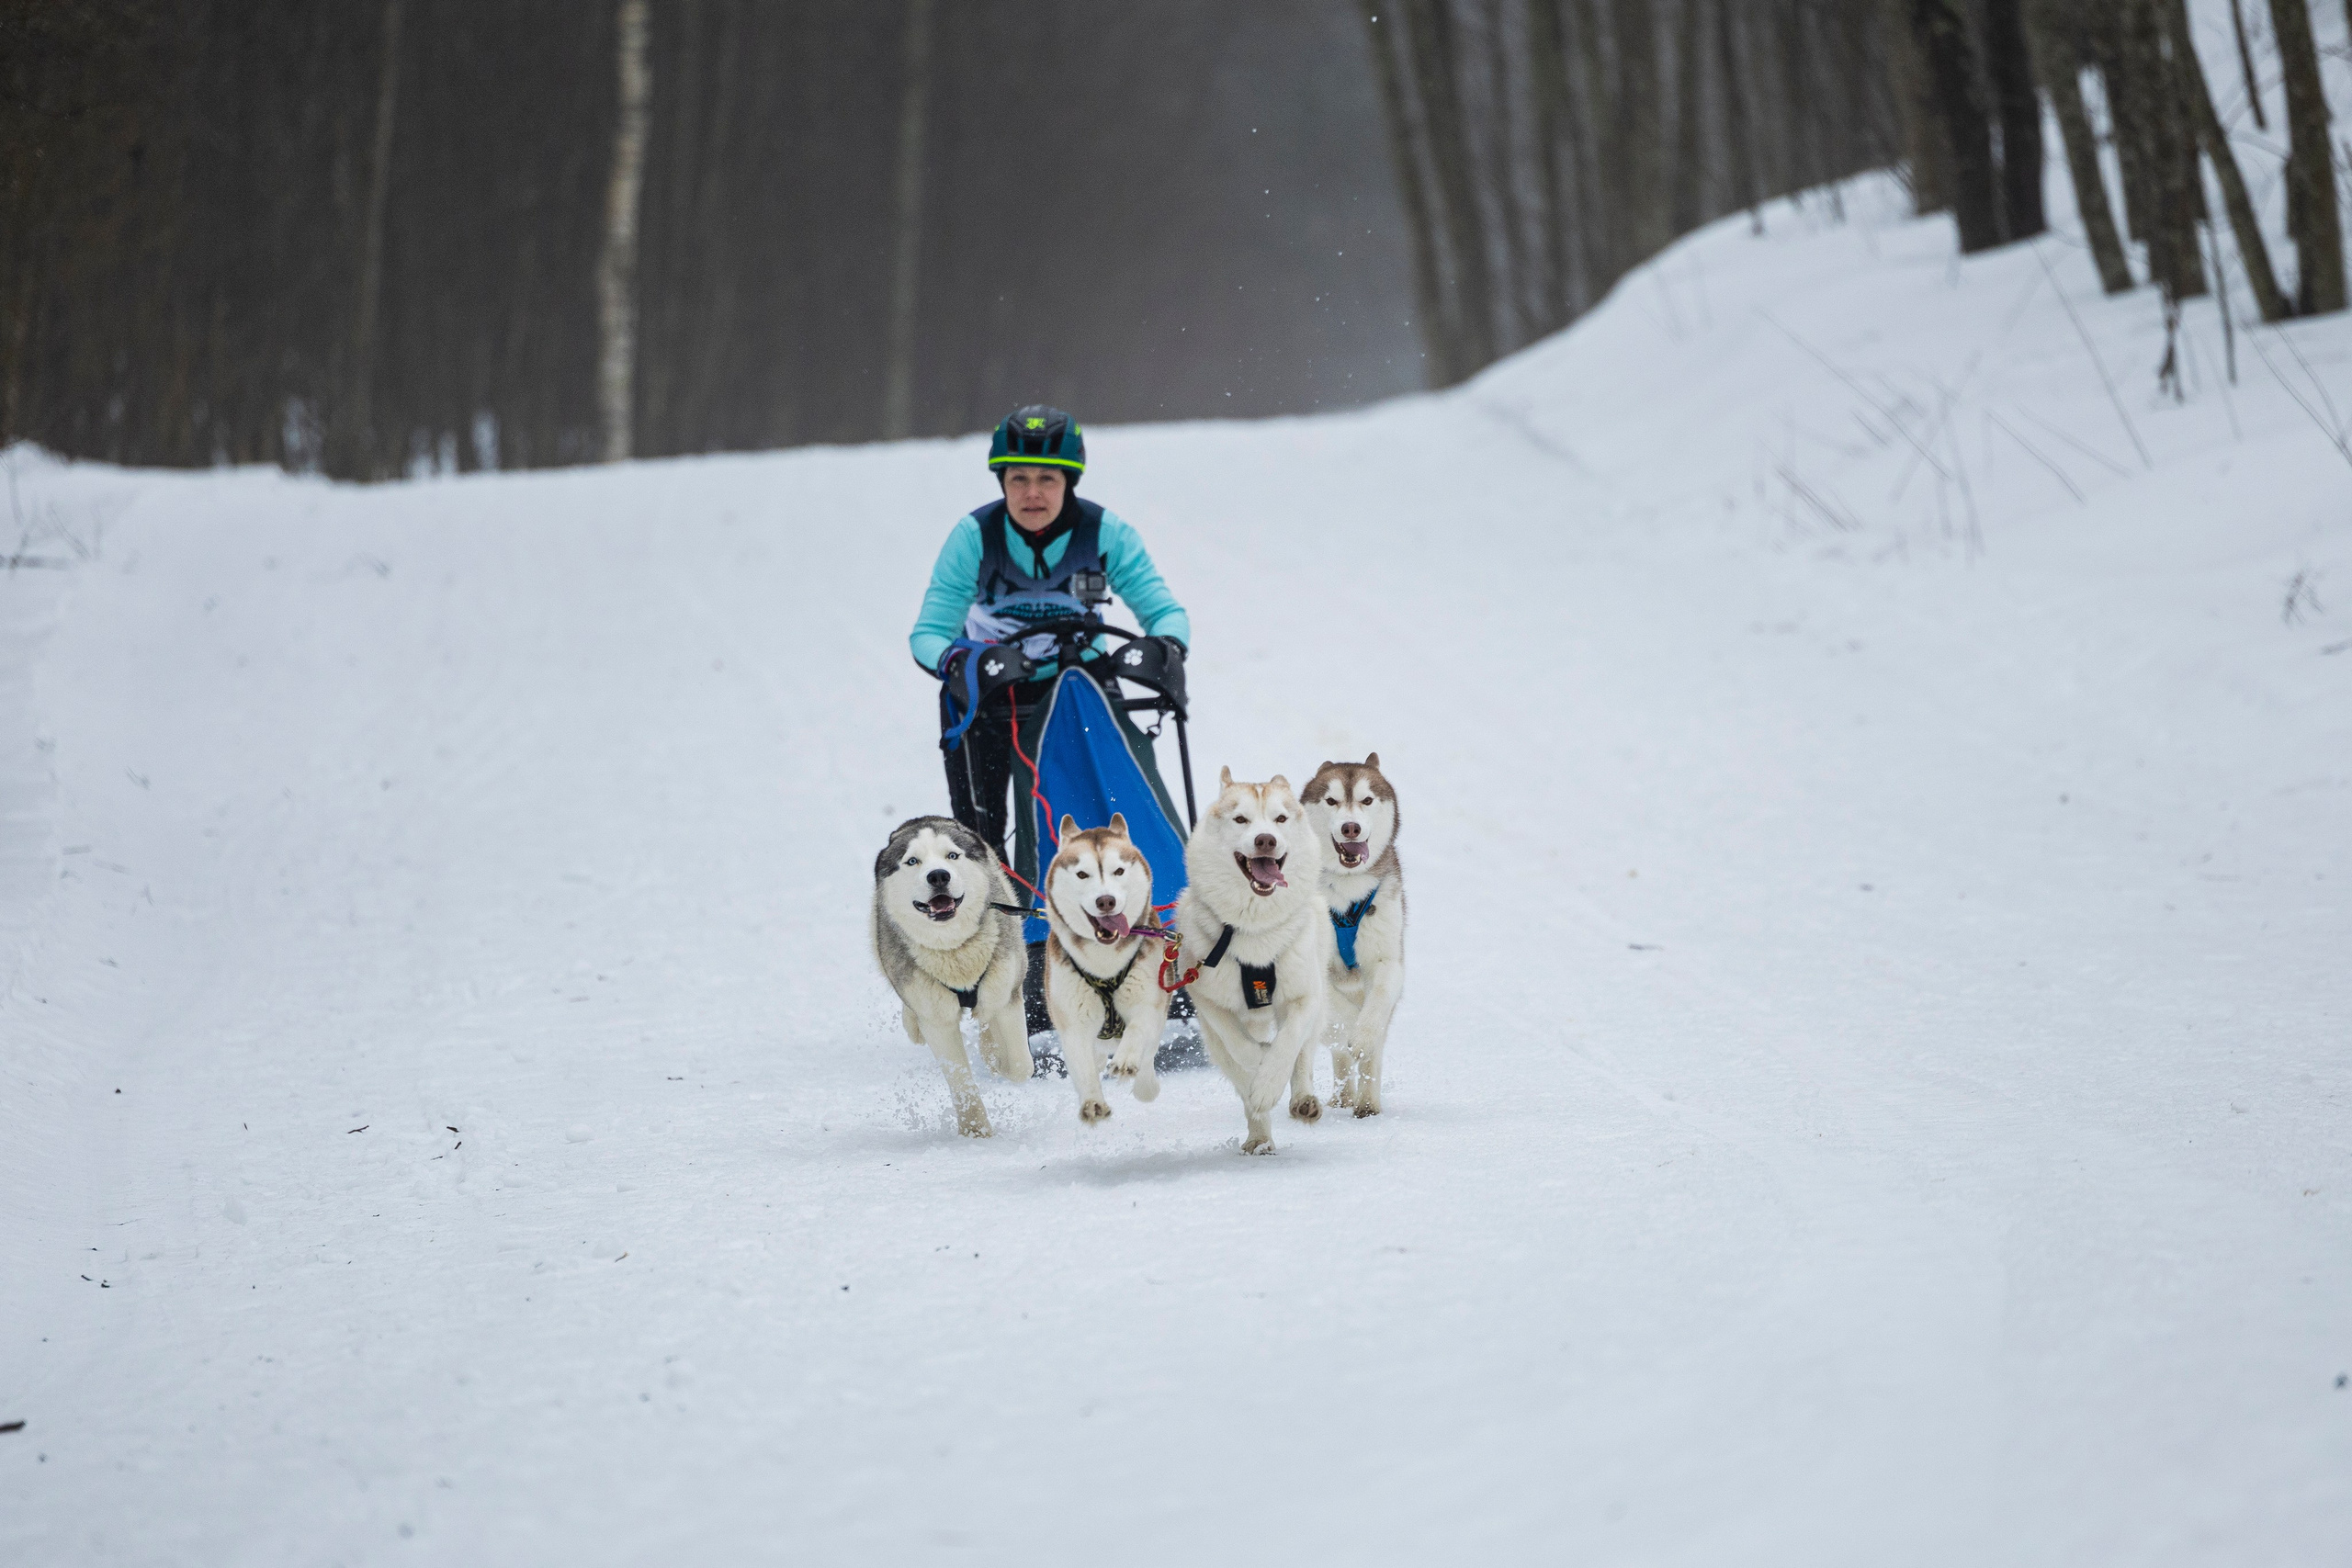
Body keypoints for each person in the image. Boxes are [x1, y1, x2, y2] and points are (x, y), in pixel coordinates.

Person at [910, 401, 1191, 923]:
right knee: (981, 830)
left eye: (1047, 479)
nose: (1032, 493)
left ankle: (1159, 908)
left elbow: (1164, 611)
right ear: (1002, 481)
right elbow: (928, 634)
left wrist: (1166, 646)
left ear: (1069, 482)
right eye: (1018, 479)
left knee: (1120, 797)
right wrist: (961, 660)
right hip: (995, 694)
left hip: (1082, 685)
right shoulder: (973, 538)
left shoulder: (1106, 533)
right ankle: (1007, 928)